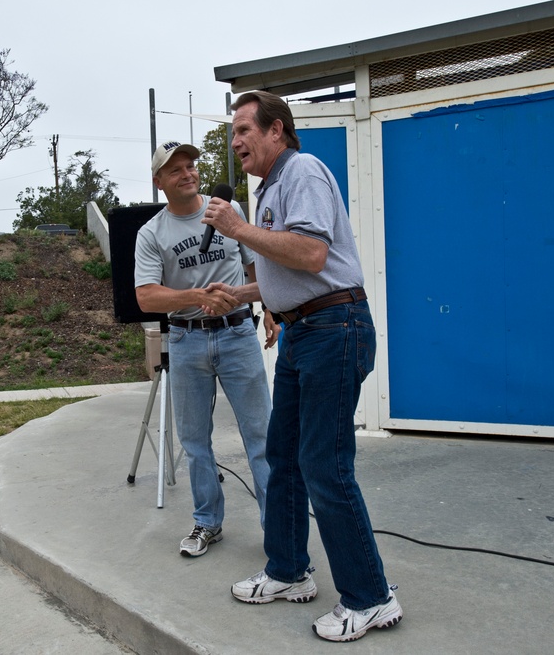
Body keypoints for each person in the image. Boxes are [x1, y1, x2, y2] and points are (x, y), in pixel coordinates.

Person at [202, 91, 403, 642]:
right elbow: (288, 270)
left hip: (333, 329)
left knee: (324, 466)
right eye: (234, 132)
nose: (236, 141)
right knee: (284, 457)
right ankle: (288, 570)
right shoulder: (270, 188)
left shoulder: (303, 171)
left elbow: (313, 255)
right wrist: (241, 292)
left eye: (244, 129)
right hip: (303, 331)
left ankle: (371, 597)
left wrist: (237, 229)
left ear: (277, 130)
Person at [134, 140, 278, 558]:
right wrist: (196, 297)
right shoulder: (151, 233)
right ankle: (207, 522)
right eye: (175, 169)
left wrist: (271, 308)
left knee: (261, 435)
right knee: (195, 440)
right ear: (159, 181)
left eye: (191, 166)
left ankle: (277, 529)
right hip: (185, 339)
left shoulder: (228, 213)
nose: (188, 174)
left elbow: (256, 266)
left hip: (237, 334)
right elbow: (146, 296)